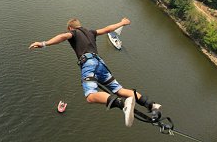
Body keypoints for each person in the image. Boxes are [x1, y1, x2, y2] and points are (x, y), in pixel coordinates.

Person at [29, 17, 160, 127]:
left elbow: (63, 36)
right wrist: (122, 23)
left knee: (90, 96)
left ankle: (123, 104)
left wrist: (44, 43)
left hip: (89, 64)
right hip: (100, 64)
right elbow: (108, 29)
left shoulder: (73, 33)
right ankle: (151, 105)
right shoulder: (91, 32)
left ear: (70, 28)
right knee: (120, 90)